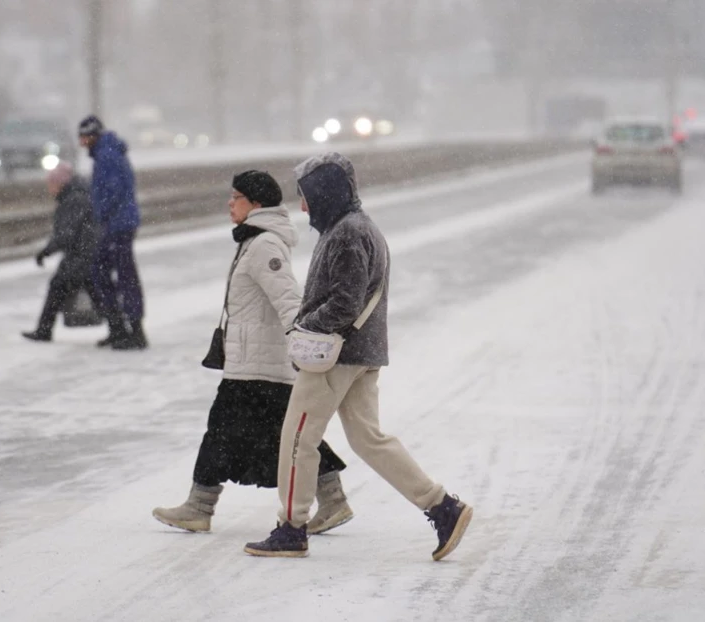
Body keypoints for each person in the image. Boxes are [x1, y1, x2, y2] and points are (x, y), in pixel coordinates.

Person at [244, 153, 473, 559]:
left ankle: (291, 527)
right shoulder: (354, 227)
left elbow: (345, 303)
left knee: (298, 438)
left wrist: (304, 327)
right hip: (361, 353)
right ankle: (442, 507)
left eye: (307, 197)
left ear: (326, 194)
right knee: (369, 440)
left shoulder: (348, 234)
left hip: (336, 356)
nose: (302, 206)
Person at [153, 170, 354, 535]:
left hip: (261, 367)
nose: (229, 203)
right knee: (283, 436)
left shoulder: (263, 245)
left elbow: (289, 300)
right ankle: (332, 499)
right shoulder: (254, 241)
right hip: (253, 363)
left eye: (236, 197)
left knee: (232, 432)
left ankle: (199, 507)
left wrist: (303, 345)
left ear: (256, 203)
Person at [77, 114, 148, 350]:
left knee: (118, 275)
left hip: (118, 225)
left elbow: (112, 191)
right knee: (108, 272)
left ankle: (131, 331)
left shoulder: (106, 155)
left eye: (83, 138)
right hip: (119, 223)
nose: (82, 143)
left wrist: (101, 213)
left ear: (91, 136)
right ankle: (120, 328)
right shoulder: (106, 152)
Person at [22, 161, 97, 343]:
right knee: (97, 292)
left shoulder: (73, 200)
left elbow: (66, 233)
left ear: (60, 183)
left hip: (81, 256)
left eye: (51, 184)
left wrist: (45, 252)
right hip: (87, 254)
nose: (49, 188)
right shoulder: (78, 195)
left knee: (58, 287)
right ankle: (119, 328)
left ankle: (44, 331)